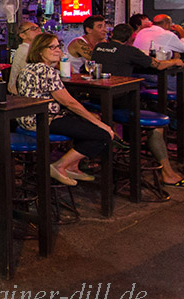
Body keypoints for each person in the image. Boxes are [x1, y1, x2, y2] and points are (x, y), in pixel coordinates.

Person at [16, 33, 115, 186]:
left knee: (89, 122)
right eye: (51, 47)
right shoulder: (48, 71)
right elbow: (70, 103)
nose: (57, 50)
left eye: (58, 46)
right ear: (39, 51)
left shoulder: (27, 69)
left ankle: (73, 167)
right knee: (103, 135)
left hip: (26, 118)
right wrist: (103, 126)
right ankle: (59, 166)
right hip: (44, 120)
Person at [92, 24, 184, 186]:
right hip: (120, 102)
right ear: (130, 38)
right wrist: (176, 61)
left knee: (140, 98)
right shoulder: (130, 51)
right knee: (156, 125)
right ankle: (167, 172)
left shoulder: (99, 47)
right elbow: (159, 65)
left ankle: (125, 146)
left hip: (98, 99)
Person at [8, 21, 42, 95]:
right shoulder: (24, 51)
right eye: (33, 28)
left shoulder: (32, 49)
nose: (38, 30)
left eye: (39, 28)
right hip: (21, 95)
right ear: (23, 35)